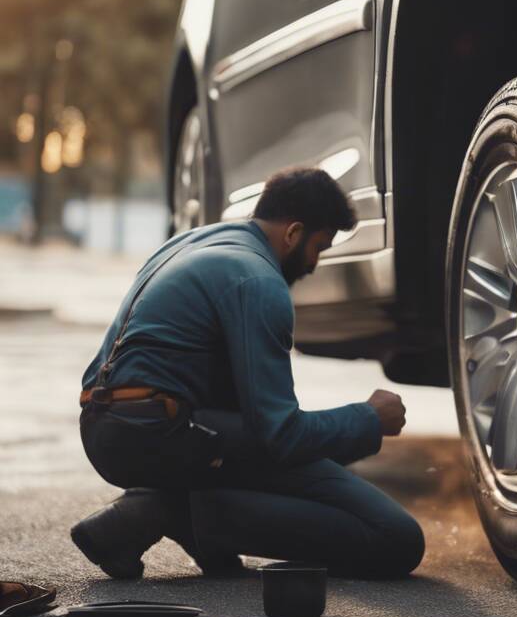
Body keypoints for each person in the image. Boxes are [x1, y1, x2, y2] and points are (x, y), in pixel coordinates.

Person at [71, 167, 424, 580]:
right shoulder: (258, 280)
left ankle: (158, 511)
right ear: (293, 233)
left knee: (315, 462)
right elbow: (281, 435)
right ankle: (170, 511)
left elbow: (241, 409)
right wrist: (367, 419)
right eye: (319, 247)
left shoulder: (190, 243)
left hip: (106, 427)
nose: (314, 263)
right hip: (159, 432)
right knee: (397, 538)